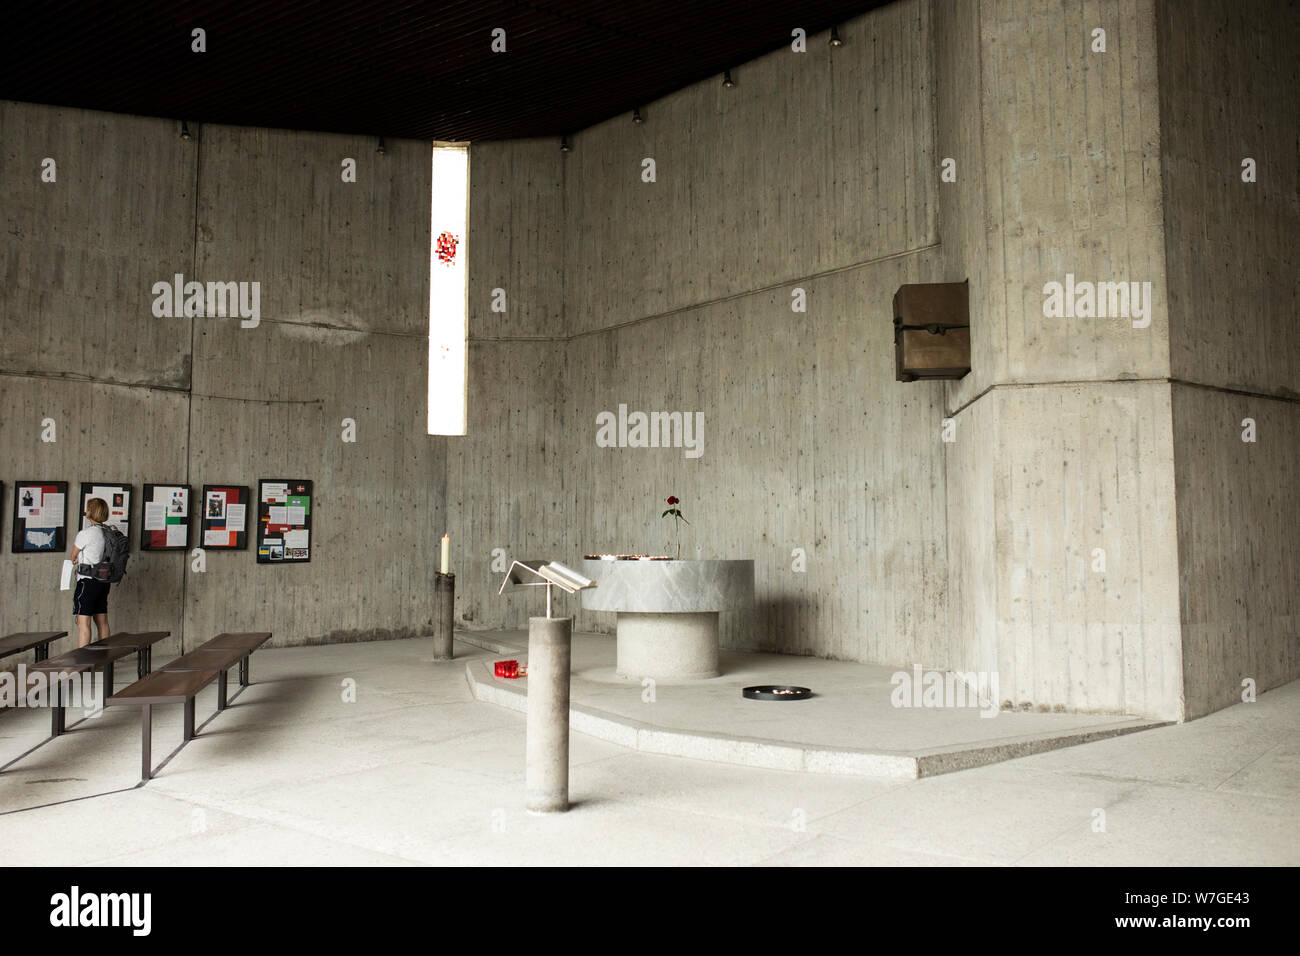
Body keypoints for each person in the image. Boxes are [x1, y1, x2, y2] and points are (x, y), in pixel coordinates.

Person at [69, 498, 113, 648]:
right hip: (104, 580)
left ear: (90, 512)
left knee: (83, 623)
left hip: (87, 581)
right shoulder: (108, 533)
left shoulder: (85, 534)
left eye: (88, 508)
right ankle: (105, 660)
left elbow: (73, 556)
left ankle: (83, 663)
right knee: (102, 621)